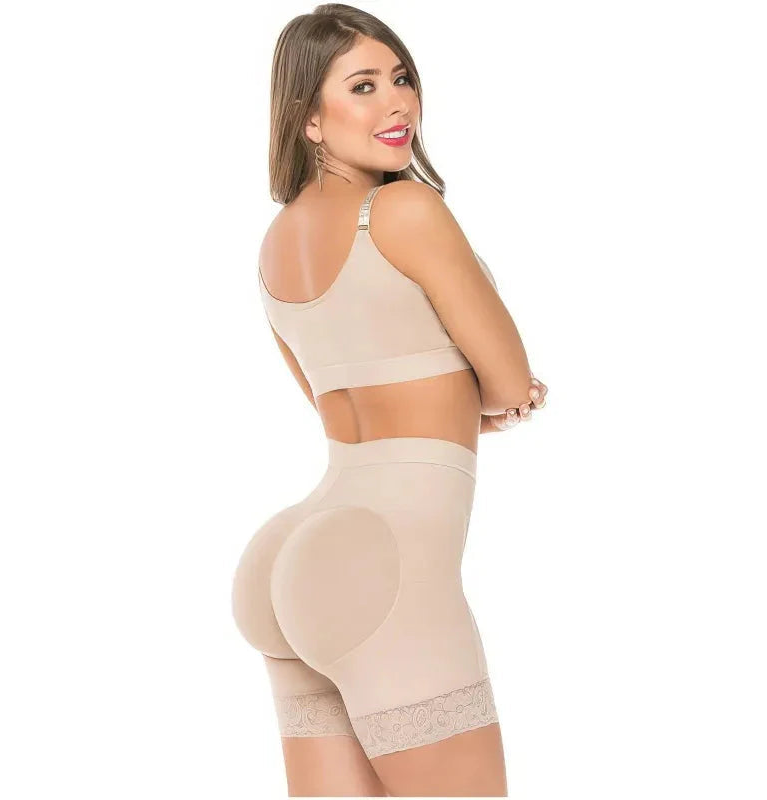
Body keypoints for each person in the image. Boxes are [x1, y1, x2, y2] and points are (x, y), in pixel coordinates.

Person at [232, 4, 548, 796]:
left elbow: (329, 399)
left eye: (401, 78)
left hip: (297, 550)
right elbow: (509, 378)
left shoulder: (275, 245)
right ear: (309, 118)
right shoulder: (406, 211)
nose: (397, 102)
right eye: (363, 86)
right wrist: (495, 400)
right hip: (388, 563)